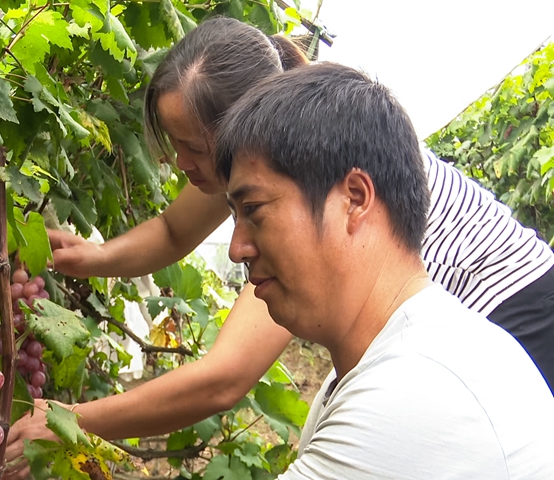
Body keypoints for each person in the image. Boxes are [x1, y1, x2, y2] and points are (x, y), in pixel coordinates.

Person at [3, 17, 554, 474]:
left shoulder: (317, 193)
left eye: (192, 146)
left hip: (524, 316)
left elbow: (223, 378)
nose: (179, 164)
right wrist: (88, 256)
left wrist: (69, 418)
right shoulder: (288, 168)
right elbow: (173, 231)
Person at [216, 61, 554, 478]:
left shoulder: (416, 388)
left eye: (253, 210)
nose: (236, 249)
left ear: (355, 199)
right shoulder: (390, 361)